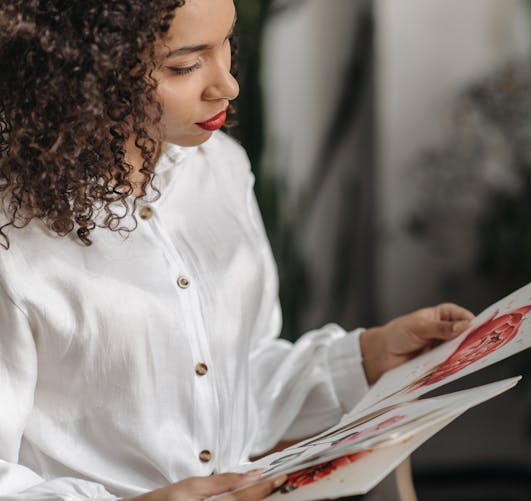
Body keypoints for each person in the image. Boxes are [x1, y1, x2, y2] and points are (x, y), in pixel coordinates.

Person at [0, 1, 475, 500]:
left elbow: (237, 380)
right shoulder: (14, 237)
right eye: (185, 65)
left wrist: (369, 356)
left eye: (226, 41)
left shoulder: (222, 169)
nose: (227, 85)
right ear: (85, 69)